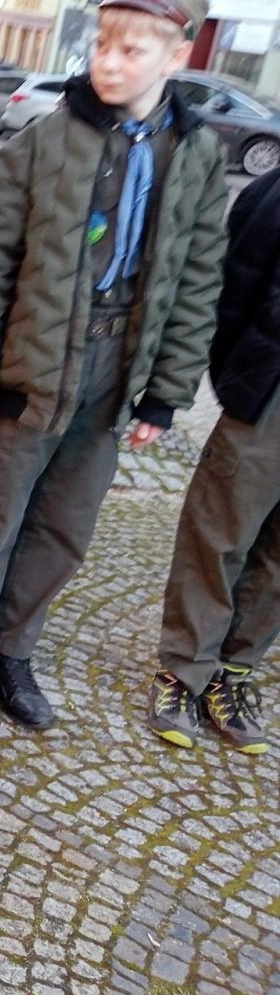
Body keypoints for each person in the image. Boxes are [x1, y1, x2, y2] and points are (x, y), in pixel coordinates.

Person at [0, 0, 228, 729]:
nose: (110, 61)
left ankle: (13, 650)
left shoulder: (195, 154)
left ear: (175, 56)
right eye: (102, 45)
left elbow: (197, 279)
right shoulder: (46, 140)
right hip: (29, 366)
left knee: (65, 525)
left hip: (116, 368)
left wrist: (165, 392)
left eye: (131, 50)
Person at [149, 165, 280, 753]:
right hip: (270, 396)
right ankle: (184, 670)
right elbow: (230, 296)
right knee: (220, 535)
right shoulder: (272, 193)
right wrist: (242, 380)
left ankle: (234, 671)